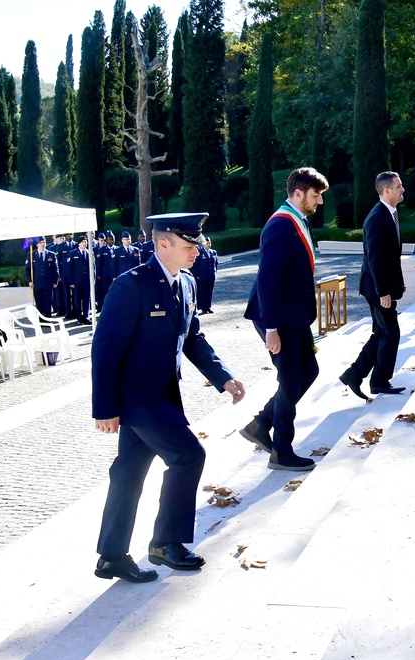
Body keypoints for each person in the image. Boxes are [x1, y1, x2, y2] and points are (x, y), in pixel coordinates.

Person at [91, 213, 246, 584]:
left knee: (127, 474)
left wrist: (222, 376)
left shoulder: (188, 283)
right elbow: (105, 348)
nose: (197, 250)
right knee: (189, 455)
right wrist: (105, 408)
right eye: (189, 245)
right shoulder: (132, 285)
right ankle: (165, 542)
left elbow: (192, 337)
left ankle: (111, 556)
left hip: (163, 394)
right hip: (137, 397)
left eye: (197, 244)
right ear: (164, 244)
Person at [240, 167, 329, 472]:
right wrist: (272, 329)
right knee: (290, 380)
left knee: (308, 371)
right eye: (316, 195)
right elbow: (267, 281)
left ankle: (261, 424)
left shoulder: (298, 220)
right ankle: (282, 451)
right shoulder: (281, 224)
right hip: (276, 317)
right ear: (299, 193)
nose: (319, 202)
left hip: (294, 315)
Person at [339, 171, 407, 400]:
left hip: (381, 286)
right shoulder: (377, 217)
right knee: (391, 332)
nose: (403, 190)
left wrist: (398, 283)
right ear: (387, 190)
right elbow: (375, 259)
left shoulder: (389, 213)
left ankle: (354, 374)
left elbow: (390, 257)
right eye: (399, 186)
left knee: (381, 332)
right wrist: (384, 292)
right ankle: (379, 381)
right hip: (376, 288)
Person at [25, 237, 60, 317]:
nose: (43, 244)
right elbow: (27, 269)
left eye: (44, 242)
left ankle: (48, 319)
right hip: (37, 283)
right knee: (39, 304)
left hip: (48, 283)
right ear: (37, 244)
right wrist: (29, 281)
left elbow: (55, 269)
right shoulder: (31, 255)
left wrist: (55, 281)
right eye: (41, 242)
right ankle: (40, 320)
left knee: (48, 303)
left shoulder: (51, 254)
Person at [65, 236, 93, 325]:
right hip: (77, 281)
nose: (85, 244)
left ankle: (86, 316)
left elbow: (93, 268)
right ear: (79, 243)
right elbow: (69, 269)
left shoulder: (90, 253)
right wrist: (71, 282)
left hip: (87, 281)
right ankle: (79, 318)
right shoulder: (73, 253)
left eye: (86, 242)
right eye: (83, 242)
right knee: (77, 300)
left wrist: (93, 280)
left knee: (86, 299)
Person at [191, 237, 218, 314]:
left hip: (211, 276)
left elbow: (216, 264)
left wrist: (215, 272)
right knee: (202, 292)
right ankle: (203, 307)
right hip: (202, 276)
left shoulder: (213, 252)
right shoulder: (200, 252)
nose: (209, 244)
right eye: (207, 243)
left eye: (209, 243)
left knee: (209, 292)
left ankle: (208, 307)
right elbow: (195, 265)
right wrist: (196, 274)